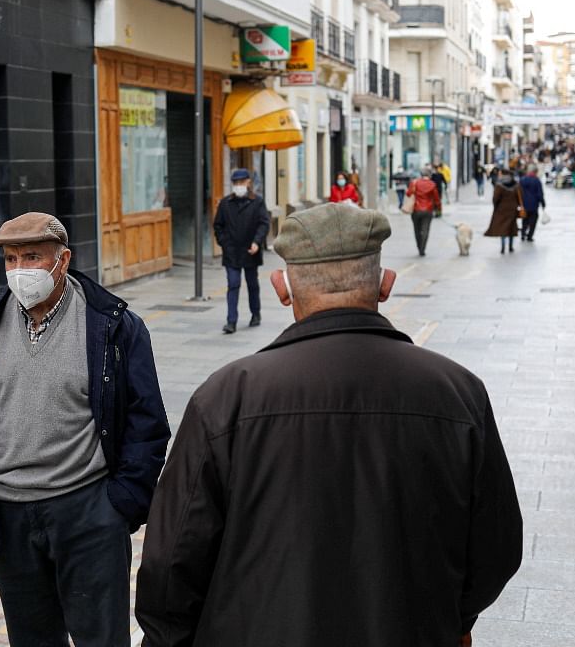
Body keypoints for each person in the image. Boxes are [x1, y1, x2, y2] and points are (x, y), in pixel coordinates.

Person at [135, 203, 523, 647]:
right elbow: (497, 547)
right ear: (385, 284)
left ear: (282, 288)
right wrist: (447, 616)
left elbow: (171, 559)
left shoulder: (227, 397)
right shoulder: (458, 392)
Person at [0, 212, 170, 647]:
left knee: (101, 638)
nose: (19, 270)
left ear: (62, 260)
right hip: (8, 517)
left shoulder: (113, 325)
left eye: (31, 256)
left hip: (87, 511)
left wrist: (120, 505)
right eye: (10, 259)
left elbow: (148, 422)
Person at [215, 169, 271, 333]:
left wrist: (257, 242)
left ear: (248, 183)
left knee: (252, 284)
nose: (238, 186)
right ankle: (231, 321)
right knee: (233, 284)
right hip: (231, 251)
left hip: (250, 250)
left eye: (241, 183)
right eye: (235, 183)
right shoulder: (226, 203)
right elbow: (218, 225)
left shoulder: (257, 202)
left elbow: (264, 223)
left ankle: (256, 314)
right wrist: (224, 243)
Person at [485, 168, 523, 255]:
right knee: (511, 227)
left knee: (503, 227)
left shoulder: (499, 185)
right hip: (512, 209)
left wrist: (496, 206)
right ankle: (510, 246)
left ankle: (503, 247)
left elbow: (495, 198)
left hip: (501, 209)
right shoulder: (516, 184)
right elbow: (520, 196)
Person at [406, 166, 442, 256]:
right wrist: (439, 209)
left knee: (417, 230)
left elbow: (408, 193)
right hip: (428, 210)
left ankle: (419, 246)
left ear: (421, 175)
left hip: (416, 210)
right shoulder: (432, 184)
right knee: (425, 230)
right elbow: (437, 199)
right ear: (429, 175)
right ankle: (422, 249)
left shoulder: (415, 183)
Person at [519, 166, 547, 242]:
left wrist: (519, 202)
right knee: (533, 221)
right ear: (535, 172)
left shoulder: (522, 180)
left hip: (524, 203)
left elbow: (519, 192)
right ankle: (530, 236)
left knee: (525, 219)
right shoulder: (536, 181)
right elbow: (540, 194)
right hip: (534, 204)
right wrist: (543, 203)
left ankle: (523, 233)